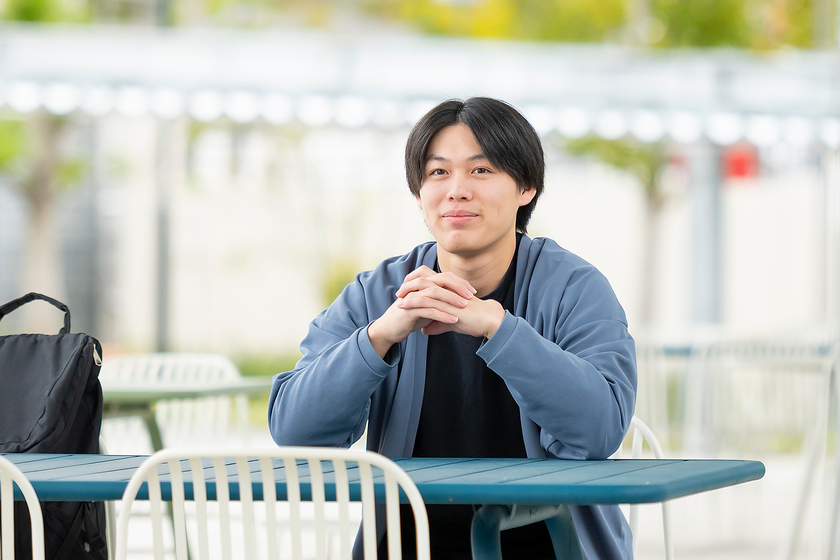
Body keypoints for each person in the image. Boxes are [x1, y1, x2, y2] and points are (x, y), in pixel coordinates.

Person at [268, 97, 637, 559]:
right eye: (438, 172)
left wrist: (498, 327)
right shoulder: (377, 293)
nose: (457, 190)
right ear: (419, 194)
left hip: (548, 548)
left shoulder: (574, 288)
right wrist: (380, 336)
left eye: (481, 170)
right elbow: (295, 431)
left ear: (526, 187)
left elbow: (599, 430)